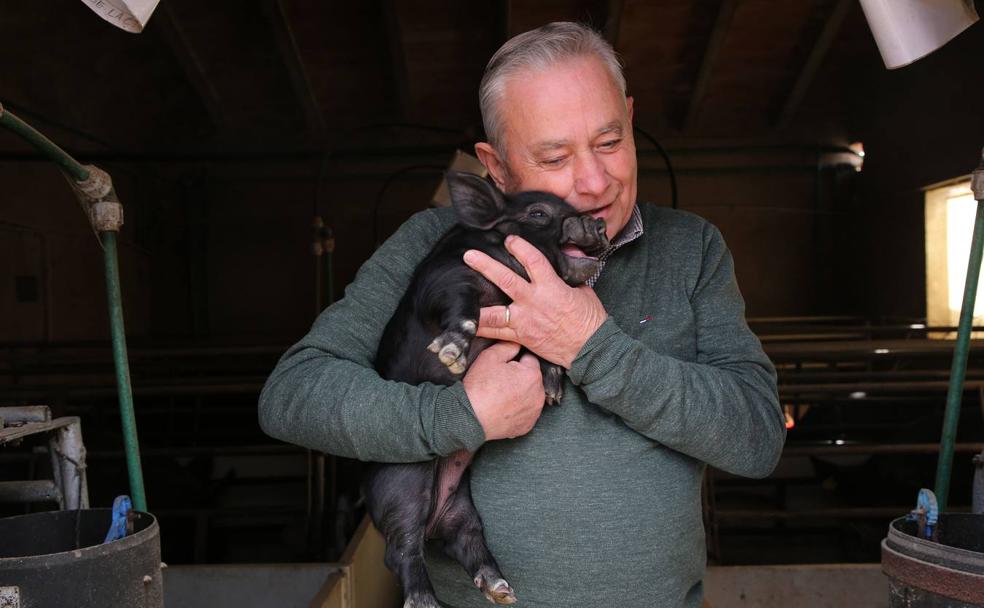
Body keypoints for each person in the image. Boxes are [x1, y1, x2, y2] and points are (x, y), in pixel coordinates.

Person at [259, 21, 785, 608]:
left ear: (631, 120)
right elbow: (293, 395)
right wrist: (459, 414)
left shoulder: (692, 249)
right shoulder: (433, 244)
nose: (593, 182)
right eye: (555, 157)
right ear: (498, 168)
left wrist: (593, 347)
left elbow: (758, 437)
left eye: (609, 142)